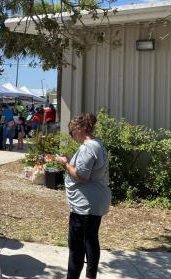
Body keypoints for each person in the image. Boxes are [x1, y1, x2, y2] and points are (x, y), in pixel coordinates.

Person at [54, 113, 111, 279]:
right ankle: (90, 275)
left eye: (72, 133)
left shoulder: (88, 147)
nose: (72, 137)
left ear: (80, 129)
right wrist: (70, 160)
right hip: (93, 202)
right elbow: (86, 170)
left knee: (77, 246)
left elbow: (81, 176)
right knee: (91, 240)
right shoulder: (97, 144)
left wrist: (65, 163)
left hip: (85, 205)